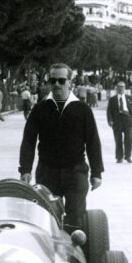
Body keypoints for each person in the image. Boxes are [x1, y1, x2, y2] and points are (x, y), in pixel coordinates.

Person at [19, 63, 104, 234]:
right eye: (52, 80)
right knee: (47, 219)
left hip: (76, 172)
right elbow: (28, 141)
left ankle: (73, 256)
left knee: (75, 220)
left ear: (70, 82)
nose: (56, 84)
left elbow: (93, 141)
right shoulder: (40, 109)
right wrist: (25, 169)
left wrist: (97, 173)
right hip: (47, 172)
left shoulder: (83, 110)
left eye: (61, 80)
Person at [107, 81, 132, 164]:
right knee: (118, 140)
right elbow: (109, 111)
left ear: (125, 88)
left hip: (127, 120)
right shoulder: (112, 99)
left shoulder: (129, 97)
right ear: (116, 88)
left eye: (122, 87)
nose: (121, 88)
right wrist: (110, 120)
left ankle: (128, 156)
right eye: (119, 87)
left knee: (130, 139)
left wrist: (131, 116)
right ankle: (119, 157)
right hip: (117, 121)